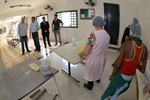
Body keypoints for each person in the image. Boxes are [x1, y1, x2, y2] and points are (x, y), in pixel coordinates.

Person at [101, 18, 148, 100]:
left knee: (107, 93)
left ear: (131, 32)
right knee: (120, 88)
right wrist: (135, 64)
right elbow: (143, 70)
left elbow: (118, 64)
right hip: (130, 76)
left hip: (122, 74)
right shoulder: (145, 49)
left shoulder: (126, 45)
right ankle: (114, 97)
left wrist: (112, 74)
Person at [78, 16, 110, 90]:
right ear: (103, 24)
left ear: (94, 24)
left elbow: (86, 51)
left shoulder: (93, 35)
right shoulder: (106, 34)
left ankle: (90, 85)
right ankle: (98, 79)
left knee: (91, 72)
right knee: (99, 69)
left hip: (94, 58)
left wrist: (80, 54)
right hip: (103, 57)